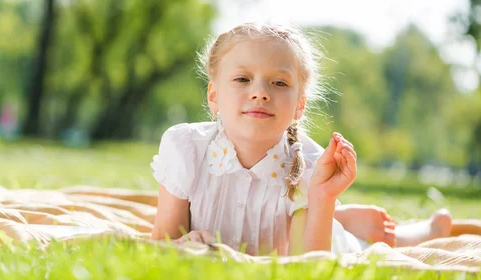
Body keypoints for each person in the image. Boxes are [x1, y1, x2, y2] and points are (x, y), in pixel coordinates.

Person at [150, 22, 454, 256]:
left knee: (365, 247)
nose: (260, 92)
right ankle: (346, 217)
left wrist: (323, 200)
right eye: (242, 79)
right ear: (214, 96)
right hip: (293, 222)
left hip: (315, 237)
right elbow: (162, 241)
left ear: (299, 106)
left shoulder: (306, 165)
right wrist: (182, 245)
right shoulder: (186, 148)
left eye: (279, 82)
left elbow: (308, 263)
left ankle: (424, 230)